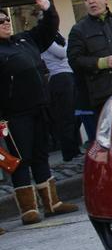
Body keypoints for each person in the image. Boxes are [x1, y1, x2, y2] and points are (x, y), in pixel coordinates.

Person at [1, 0, 79, 226]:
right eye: (0, 21)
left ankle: (52, 203)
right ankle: (29, 209)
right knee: (19, 160)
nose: (6, 22)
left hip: (40, 108)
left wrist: (48, 9)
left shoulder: (24, 40)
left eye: (6, 19)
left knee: (40, 155)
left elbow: (46, 29)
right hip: (14, 115)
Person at [40, 32, 81, 162]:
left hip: (69, 75)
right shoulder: (46, 39)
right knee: (66, 117)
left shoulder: (58, 37)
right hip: (59, 77)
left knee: (76, 115)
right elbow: (63, 53)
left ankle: (75, 149)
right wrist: (70, 46)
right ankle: (69, 153)